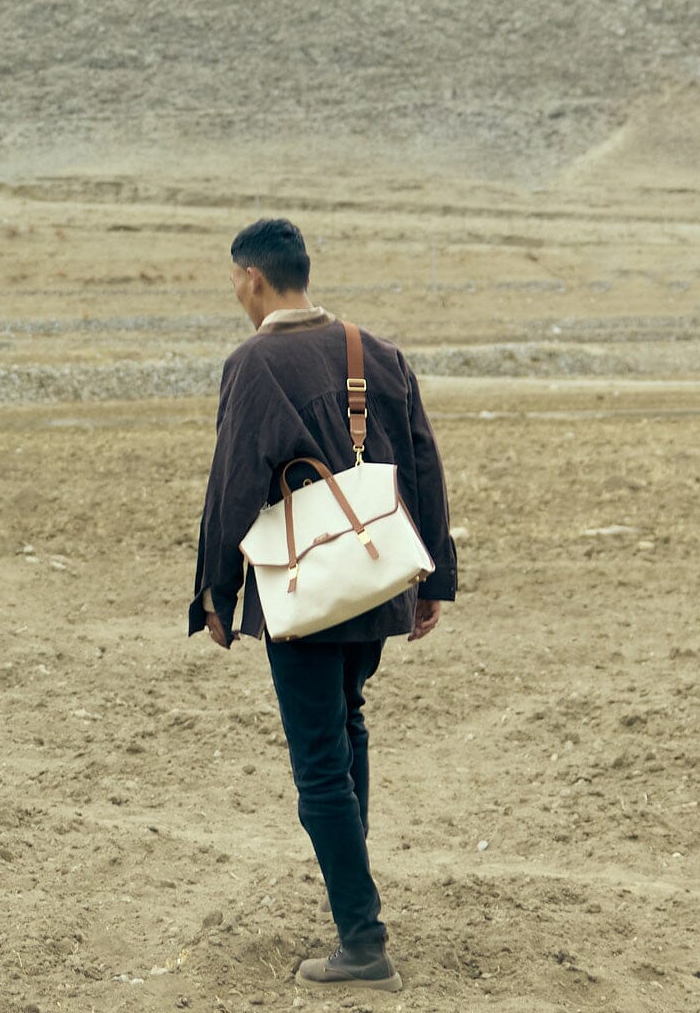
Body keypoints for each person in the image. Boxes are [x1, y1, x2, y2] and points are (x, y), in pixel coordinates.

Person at [188, 218, 457, 992]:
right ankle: (353, 899)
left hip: (305, 588)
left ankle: (363, 943)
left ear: (251, 277)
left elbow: (234, 481)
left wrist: (216, 589)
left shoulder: (253, 363)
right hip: (377, 580)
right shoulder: (377, 351)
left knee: (318, 766)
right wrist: (432, 578)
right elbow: (423, 464)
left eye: (233, 279)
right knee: (347, 728)